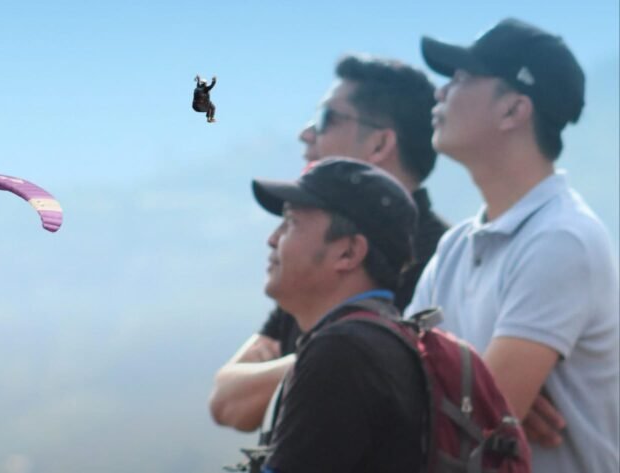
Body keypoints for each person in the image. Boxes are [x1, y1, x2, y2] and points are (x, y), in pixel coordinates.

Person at [407, 18, 619, 472]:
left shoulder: (562, 239)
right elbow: (393, 379)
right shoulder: (454, 248)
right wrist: (474, 391)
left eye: (462, 78)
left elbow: (471, 428)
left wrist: (472, 397)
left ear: (513, 111)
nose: (440, 92)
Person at [209, 54, 448, 432]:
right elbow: (227, 401)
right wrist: (322, 359)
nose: (306, 134)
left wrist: (325, 356)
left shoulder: (442, 259)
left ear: (380, 143)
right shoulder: (313, 256)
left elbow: (402, 375)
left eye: (326, 119)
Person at [245, 158, 428, 472]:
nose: (272, 238)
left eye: (291, 222)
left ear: (348, 253)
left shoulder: (343, 352)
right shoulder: (381, 340)